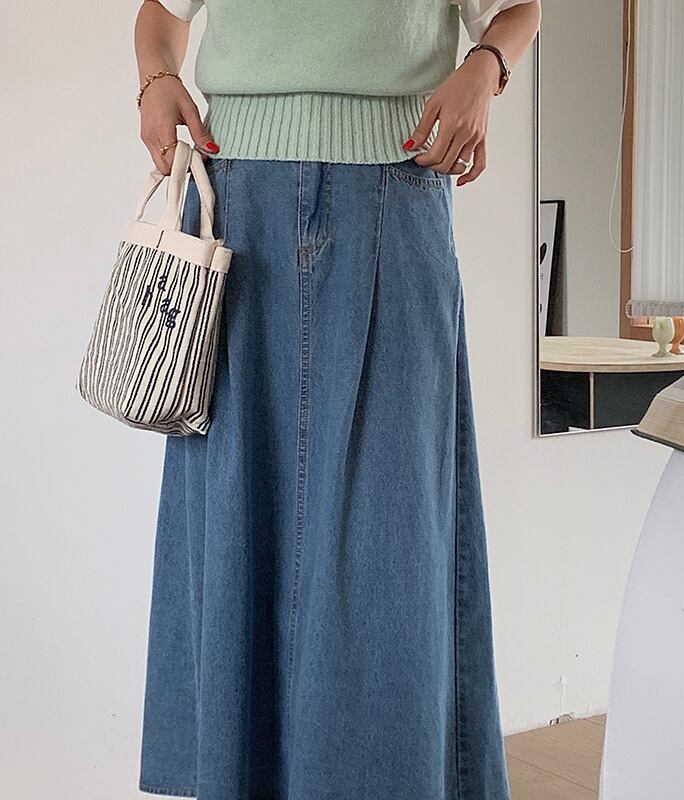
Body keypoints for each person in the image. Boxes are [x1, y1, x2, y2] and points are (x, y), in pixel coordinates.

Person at [134, 2, 541, 799]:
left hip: (398, 185)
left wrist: (485, 68)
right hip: (232, 201)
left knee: (393, 530)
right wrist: (155, 80)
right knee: (233, 506)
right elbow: (159, 13)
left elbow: (518, 10)